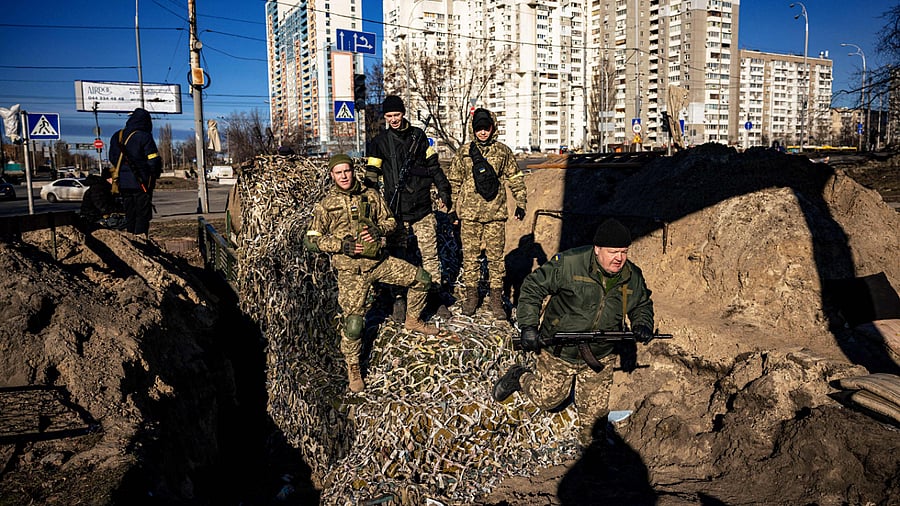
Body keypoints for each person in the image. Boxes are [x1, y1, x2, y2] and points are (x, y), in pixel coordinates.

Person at [492, 218, 655, 446]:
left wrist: (643, 323)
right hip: (560, 350)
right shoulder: (569, 264)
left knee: (595, 420)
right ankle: (518, 375)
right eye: (613, 252)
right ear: (597, 249)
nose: (619, 258)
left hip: (600, 354)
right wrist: (528, 326)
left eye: (624, 252)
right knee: (547, 399)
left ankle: (591, 461)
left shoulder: (631, 275)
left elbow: (642, 304)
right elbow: (533, 287)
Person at [305, 154, 440, 393]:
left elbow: (390, 221)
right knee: (355, 325)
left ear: (353, 171)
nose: (344, 176)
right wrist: (340, 245)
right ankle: (353, 367)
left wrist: (378, 230)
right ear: (332, 176)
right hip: (351, 272)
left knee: (422, 279)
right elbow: (312, 240)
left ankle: (413, 320)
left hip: (379, 262)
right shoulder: (326, 204)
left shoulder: (371, 195)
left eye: (346, 171)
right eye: (338, 173)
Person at [365, 95, 453, 321]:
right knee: (398, 257)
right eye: (389, 116)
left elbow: (434, 167)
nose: (393, 119)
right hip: (395, 212)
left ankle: (434, 297)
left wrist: (444, 191)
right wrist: (369, 203)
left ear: (403, 113)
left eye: (396, 114)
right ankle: (399, 299)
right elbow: (372, 177)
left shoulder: (419, 137)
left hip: (422, 208)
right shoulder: (379, 142)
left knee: (430, 256)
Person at [446, 108, 527, 320]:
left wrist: (521, 203)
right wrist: (452, 209)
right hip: (470, 215)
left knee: (496, 259)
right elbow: (454, 182)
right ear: (474, 129)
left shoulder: (503, 152)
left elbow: (515, 178)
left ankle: (496, 299)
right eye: (479, 128)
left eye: (486, 128)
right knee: (470, 258)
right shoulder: (464, 152)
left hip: (495, 214)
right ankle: (471, 297)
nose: (483, 132)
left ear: (492, 128)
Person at [108, 107, 163, 238]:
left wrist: (123, 169)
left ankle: (131, 237)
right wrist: (152, 173)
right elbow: (153, 160)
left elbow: (112, 157)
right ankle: (141, 239)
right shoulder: (144, 137)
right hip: (141, 182)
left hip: (122, 182)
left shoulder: (118, 136)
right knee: (142, 214)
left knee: (129, 212)